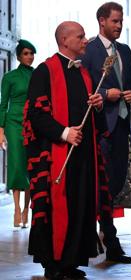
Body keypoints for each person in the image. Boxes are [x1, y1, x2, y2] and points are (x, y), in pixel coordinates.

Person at [23, 21, 112, 280]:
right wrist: (65, 132)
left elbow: (93, 119)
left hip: (83, 155)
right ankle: (54, 265)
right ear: (65, 40)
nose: (86, 41)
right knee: (57, 208)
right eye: (81, 37)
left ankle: (71, 262)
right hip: (56, 155)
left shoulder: (85, 73)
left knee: (81, 205)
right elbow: (35, 115)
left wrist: (97, 106)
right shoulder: (45, 70)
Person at [81, 2, 131, 263]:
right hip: (101, 128)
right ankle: (108, 238)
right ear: (102, 21)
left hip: (122, 127)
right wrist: (106, 94)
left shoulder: (125, 51)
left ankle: (104, 233)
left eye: (121, 21)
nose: (119, 26)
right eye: (115, 21)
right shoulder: (89, 50)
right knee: (102, 186)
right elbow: (82, 88)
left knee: (115, 184)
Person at [0, 39, 36, 228]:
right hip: (13, 124)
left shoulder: (38, 75)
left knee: (30, 166)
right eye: (26, 53)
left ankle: (25, 209)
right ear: (19, 56)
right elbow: (2, 103)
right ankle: (15, 208)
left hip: (32, 124)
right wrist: (1, 131)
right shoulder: (9, 77)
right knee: (16, 166)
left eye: (31, 53)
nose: (29, 57)